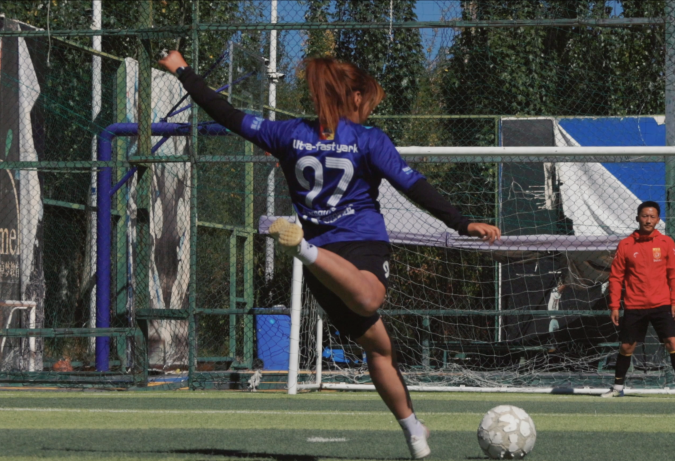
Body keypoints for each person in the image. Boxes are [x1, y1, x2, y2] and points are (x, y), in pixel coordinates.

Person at [158, 51, 501, 459]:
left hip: (322, 261)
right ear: (353, 97)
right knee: (370, 298)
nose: (368, 108)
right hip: (360, 245)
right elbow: (413, 184)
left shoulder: (287, 133)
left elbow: (226, 114)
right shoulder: (369, 139)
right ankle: (301, 248)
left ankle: (414, 431)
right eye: (367, 100)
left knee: (380, 348)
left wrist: (182, 70)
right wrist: (461, 223)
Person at [601, 201, 675, 399]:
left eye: (652, 217)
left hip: (661, 304)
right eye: (644, 216)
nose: (648, 220)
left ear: (658, 220)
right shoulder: (626, 244)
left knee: (672, 342)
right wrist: (614, 305)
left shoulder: (666, 243)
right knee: (627, 346)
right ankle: (617, 387)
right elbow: (616, 277)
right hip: (634, 305)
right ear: (637, 218)